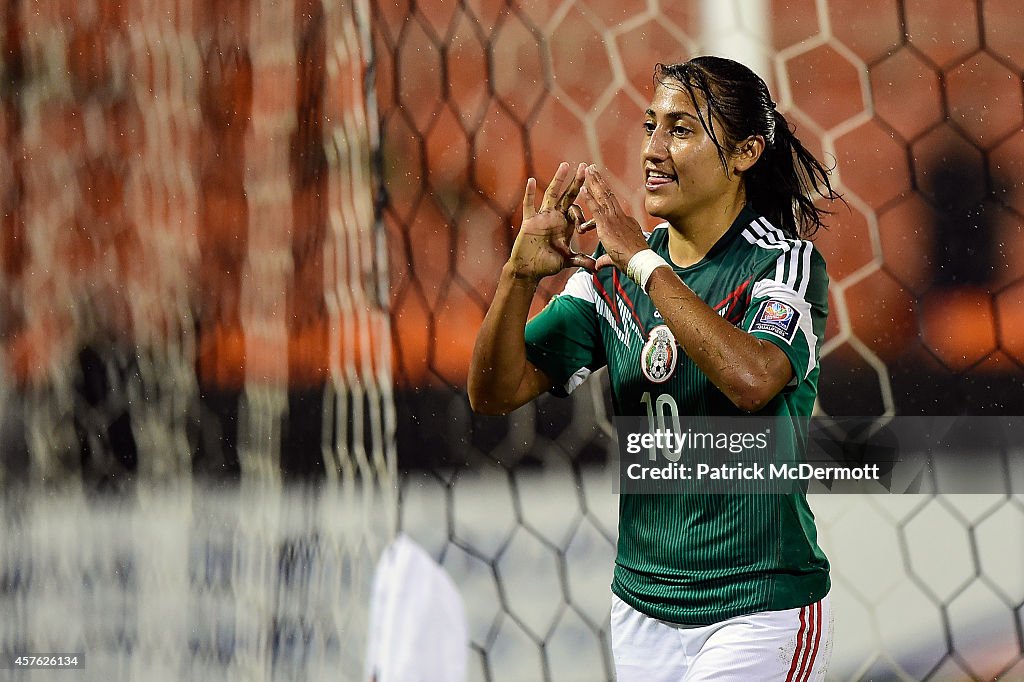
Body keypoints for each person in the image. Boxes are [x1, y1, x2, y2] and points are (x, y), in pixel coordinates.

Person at [468, 56, 841, 680]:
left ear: (746, 152)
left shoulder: (785, 265)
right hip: (642, 608)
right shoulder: (611, 283)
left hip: (760, 607)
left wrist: (643, 263)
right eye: (650, 126)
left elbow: (751, 381)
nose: (653, 150)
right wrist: (517, 277)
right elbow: (493, 391)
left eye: (682, 129)